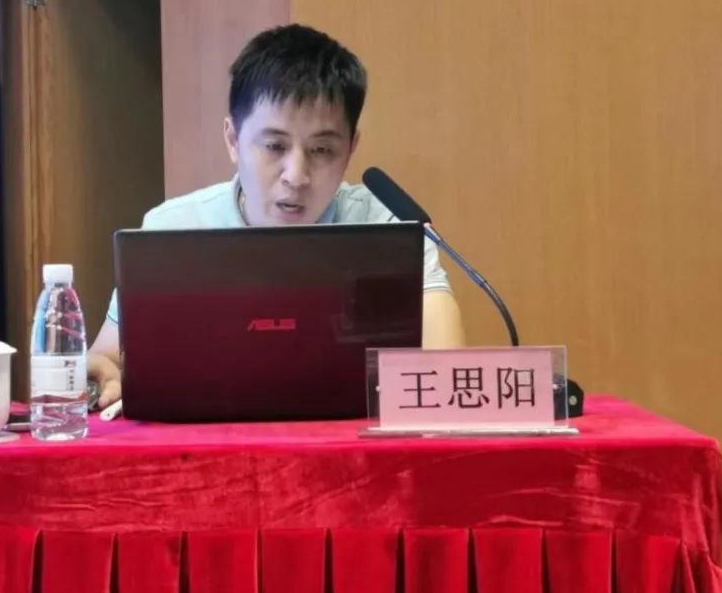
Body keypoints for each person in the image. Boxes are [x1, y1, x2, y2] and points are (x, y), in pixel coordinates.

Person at [88, 24, 465, 408]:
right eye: (274, 146)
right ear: (233, 140)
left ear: (351, 148)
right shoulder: (172, 230)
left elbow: (446, 365)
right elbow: (107, 359)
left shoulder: (387, 228)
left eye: (322, 150)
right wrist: (102, 374)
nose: (296, 176)